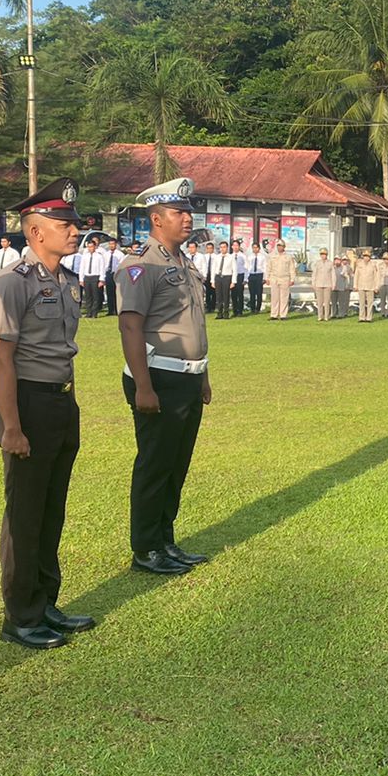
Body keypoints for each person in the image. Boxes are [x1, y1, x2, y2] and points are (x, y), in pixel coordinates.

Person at [0, 177, 95, 649]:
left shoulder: (66, 282)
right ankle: (21, 615)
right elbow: (1, 358)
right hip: (26, 403)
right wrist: (12, 425)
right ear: (34, 232)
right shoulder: (11, 283)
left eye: (74, 223)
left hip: (59, 401)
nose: (75, 231)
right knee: (26, 513)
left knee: (52, 510)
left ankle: (46, 601)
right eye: (63, 223)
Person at [116, 177, 211, 576]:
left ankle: (166, 539)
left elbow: (194, 324)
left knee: (177, 463)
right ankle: (146, 547)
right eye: (178, 212)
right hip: (157, 377)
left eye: (188, 211)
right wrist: (143, 385)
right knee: (155, 464)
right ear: (156, 219)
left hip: (188, 377)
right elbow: (130, 327)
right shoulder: (141, 265)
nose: (187, 218)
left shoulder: (184, 263)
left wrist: (203, 375)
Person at [267, 240, 295, 319]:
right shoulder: (272, 256)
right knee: (274, 297)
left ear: (284, 247)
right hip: (274, 278)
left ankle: (283, 314)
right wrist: (267, 278)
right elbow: (268, 267)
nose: (279, 247)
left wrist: (292, 279)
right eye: (278, 245)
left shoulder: (288, 257)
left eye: (281, 245)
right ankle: (274, 314)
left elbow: (292, 268)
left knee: (284, 297)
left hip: (285, 278)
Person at [212, 241, 234, 319]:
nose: (222, 249)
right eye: (221, 247)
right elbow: (213, 269)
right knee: (218, 296)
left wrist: (233, 281)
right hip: (218, 277)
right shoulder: (217, 257)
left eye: (224, 247)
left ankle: (226, 313)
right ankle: (219, 313)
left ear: (227, 248)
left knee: (226, 296)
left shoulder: (231, 257)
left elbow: (234, 270)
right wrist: (212, 281)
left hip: (226, 277)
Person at [314, 249, 335, 322]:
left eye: (325, 254)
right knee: (319, 302)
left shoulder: (330, 263)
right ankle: (320, 316)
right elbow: (314, 274)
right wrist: (313, 283)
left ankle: (326, 316)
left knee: (327, 302)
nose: (323, 256)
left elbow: (333, 274)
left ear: (327, 255)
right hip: (319, 284)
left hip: (328, 284)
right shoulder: (317, 263)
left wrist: (333, 284)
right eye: (322, 254)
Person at [104, 238, 123, 316]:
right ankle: (110, 310)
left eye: (113, 244)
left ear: (116, 245)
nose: (111, 245)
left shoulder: (120, 254)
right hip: (108, 273)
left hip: (116, 274)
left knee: (116, 292)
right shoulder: (106, 254)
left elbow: (121, 265)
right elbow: (104, 265)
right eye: (110, 244)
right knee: (109, 292)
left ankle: (116, 309)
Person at [248, 241, 267, 316]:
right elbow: (247, 266)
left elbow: (265, 267)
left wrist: (265, 278)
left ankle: (258, 308)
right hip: (251, 274)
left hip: (259, 275)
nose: (255, 249)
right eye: (253, 248)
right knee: (252, 293)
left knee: (259, 293)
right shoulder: (249, 256)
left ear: (259, 248)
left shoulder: (262, 257)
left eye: (256, 247)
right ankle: (252, 308)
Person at [231, 239, 248, 317]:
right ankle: (234, 311)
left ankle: (240, 311)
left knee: (240, 294)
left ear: (239, 246)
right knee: (233, 294)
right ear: (232, 247)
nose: (235, 247)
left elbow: (246, 268)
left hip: (240, 276)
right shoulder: (230, 256)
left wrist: (245, 279)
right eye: (234, 245)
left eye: (237, 245)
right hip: (232, 277)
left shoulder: (243, 256)